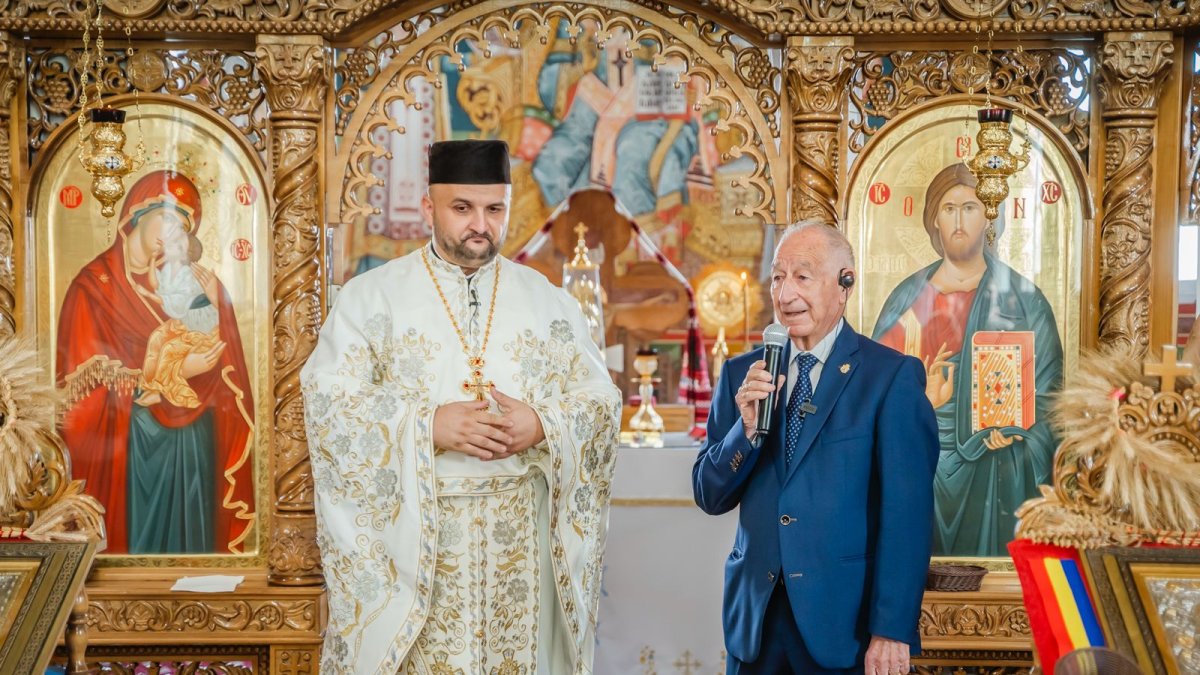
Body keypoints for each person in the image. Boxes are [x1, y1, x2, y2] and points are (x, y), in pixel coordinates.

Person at [301, 139, 621, 674]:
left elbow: (600, 402)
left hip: (520, 554)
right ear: (429, 208)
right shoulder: (369, 298)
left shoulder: (550, 303)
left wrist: (543, 423)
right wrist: (428, 425)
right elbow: (329, 404)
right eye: (462, 208)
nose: (480, 224)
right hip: (417, 554)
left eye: (494, 209)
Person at [693, 221, 938, 675]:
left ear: (845, 283)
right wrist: (744, 432)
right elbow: (710, 495)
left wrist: (891, 629)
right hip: (756, 624)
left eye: (802, 277)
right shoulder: (741, 375)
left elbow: (907, 516)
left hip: (844, 627)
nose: (785, 296)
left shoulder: (890, 378)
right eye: (778, 277)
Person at [56, 169, 255, 555]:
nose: (171, 233)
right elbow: (82, 395)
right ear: (136, 214)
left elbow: (216, 356)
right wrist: (174, 372)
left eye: (181, 227)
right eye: (166, 218)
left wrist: (220, 303)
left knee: (191, 543)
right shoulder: (92, 287)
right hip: (133, 443)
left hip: (192, 439)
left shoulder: (178, 286)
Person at [872, 163, 1063, 557]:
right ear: (934, 221)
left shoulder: (1026, 303)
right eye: (948, 208)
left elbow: (1050, 404)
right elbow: (872, 396)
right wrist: (924, 404)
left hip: (995, 470)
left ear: (989, 218)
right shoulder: (907, 301)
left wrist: (1016, 435)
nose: (959, 220)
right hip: (920, 459)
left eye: (971, 207)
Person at [137, 224, 222, 409]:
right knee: (156, 338)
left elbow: (176, 304)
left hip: (201, 324)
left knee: (169, 348)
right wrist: (152, 259)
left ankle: (161, 392)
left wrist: (148, 295)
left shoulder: (188, 275)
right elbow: (155, 282)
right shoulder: (168, 269)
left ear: (185, 253)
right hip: (185, 320)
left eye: (177, 245)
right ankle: (149, 385)